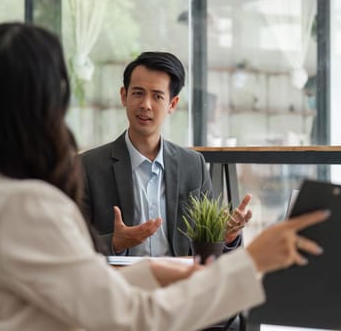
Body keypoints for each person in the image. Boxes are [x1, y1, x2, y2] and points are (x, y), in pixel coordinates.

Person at [0, 23, 328, 331]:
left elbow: (66, 293)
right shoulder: (28, 203)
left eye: (158, 96)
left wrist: (152, 273)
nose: (146, 105)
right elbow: (128, 321)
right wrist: (253, 262)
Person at [81, 51, 251, 257]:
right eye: (137, 93)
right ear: (123, 96)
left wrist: (227, 237)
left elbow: (209, 247)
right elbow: (68, 244)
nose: (146, 104)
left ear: (172, 104)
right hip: (119, 282)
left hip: (180, 281)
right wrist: (114, 243)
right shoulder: (88, 166)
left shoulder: (193, 165)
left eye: (157, 96)